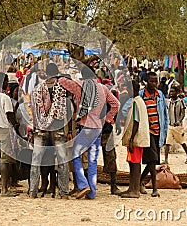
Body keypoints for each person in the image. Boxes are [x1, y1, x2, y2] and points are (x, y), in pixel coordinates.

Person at [58, 66, 120, 199]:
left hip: (85, 127)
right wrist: (107, 119)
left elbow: (62, 81)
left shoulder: (80, 87)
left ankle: (83, 184)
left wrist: (73, 78)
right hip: (98, 127)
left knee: (75, 155)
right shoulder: (103, 88)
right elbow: (116, 104)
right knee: (92, 160)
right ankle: (92, 192)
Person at [29, 63, 70, 199]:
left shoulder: (38, 88)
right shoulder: (62, 87)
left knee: (36, 159)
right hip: (57, 126)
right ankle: (64, 192)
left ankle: (32, 192)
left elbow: (34, 110)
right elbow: (66, 108)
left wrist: (36, 126)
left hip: (40, 127)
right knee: (62, 160)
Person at [139, 72, 168, 197]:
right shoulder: (141, 95)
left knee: (153, 161)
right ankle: (154, 189)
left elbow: (164, 115)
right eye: (151, 81)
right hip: (147, 131)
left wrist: (165, 132)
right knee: (153, 159)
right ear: (146, 81)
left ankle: (139, 181)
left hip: (158, 131)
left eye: (156, 81)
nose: (154, 84)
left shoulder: (160, 95)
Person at [0, 73, 18, 197]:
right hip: (5, 129)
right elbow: (10, 114)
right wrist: (15, 125)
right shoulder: (4, 98)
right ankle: (5, 189)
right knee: (5, 160)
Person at [121, 80, 150, 198]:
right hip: (138, 138)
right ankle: (131, 188)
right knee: (132, 163)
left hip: (136, 139)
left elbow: (136, 122)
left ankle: (135, 190)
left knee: (135, 164)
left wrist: (131, 139)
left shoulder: (136, 103)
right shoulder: (139, 101)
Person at [163, 86, 187, 164]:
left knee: (182, 142)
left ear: (177, 92)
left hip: (178, 127)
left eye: (173, 92)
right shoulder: (168, 102)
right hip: (170, 125)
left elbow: (183, 113)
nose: (171, 93)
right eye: (170, 92)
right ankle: (166, 160)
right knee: (167, 143)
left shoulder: (180, 101)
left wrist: (179, 121)